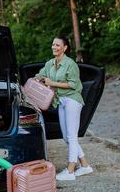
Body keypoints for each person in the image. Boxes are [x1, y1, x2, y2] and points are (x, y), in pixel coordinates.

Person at [35, 36, 93, 181]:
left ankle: (70, 170)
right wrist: (38, 79)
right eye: (53, 44)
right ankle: (85, 166)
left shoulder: (70, 64)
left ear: (65, 48)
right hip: (61, 101)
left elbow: (73, 84)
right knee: (66, 137)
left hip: (72, 99)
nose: (54, 47)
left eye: (57, 45)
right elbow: (40, 74)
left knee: (72, 136)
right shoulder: (50, 63)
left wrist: (52, 83)